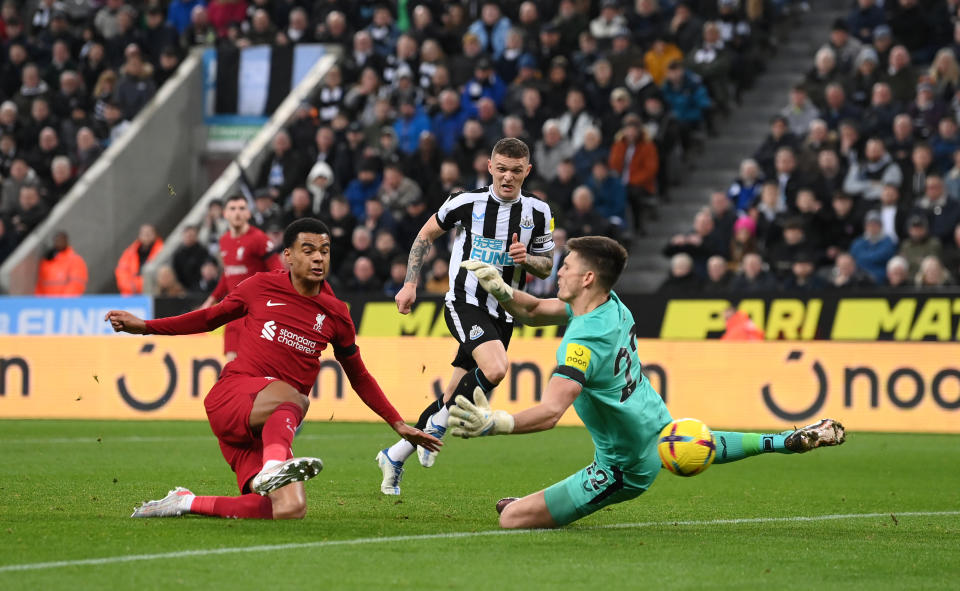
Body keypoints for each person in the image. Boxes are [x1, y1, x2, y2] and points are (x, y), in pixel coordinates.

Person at [448, 237, 845, 529]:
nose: (558, 270)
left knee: (511, 519)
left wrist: (494, 423)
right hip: (659, 424)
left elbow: (552, 412)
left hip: (623, 466)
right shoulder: (609, 303)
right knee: (696, 443)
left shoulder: (582, 343)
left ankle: (535, 506)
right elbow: (533, 310)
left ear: (586, 278)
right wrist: (501, 290)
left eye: (566, 265)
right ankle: (782, 442)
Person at [107, 218, 440, 520]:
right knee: (295, 399)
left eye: (324, 251)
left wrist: (397, 423)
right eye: (308, 250)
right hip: (234, 398)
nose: (318, 258)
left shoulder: (337, 314)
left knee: (288, 508)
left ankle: (184, 502)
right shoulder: (259, 286)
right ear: (288, 256)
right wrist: (146, 326)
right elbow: (208, 319)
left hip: (271, 426)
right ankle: (272, 467)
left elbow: (359, 376)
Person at [376, 137, 555, 495]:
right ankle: (439, 425)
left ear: (527, 172)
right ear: (489, 167)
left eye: (516, 171)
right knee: (495, 369)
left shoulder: (539, 212)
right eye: (501, 169)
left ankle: (395, 455)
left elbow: (547, 264)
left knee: (456, 391)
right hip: (464, 301)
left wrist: (527, 260)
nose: (507, 177)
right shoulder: (465, 202)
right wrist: (410, 284)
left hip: (505, 312)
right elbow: (424, 236)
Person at [200, 195, 283, 360]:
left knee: (254, 369)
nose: (237, 213)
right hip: (233, 314)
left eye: (241, 208)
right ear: (225, 214)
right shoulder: (224, 241)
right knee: (231, 368)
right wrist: (210, 300)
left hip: (256, 315)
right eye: (232, 209)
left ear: (248, 214)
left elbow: (278, 272)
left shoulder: (259, 239)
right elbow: (228, 274)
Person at [35, 231, 87, 295]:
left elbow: (76, 284)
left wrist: (64, 301)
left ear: (66, 241)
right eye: (56, 240)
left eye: (60, 240)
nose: (58, 243)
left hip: (64, 302)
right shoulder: (47, 261)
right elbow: (41, 284)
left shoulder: (75, 260)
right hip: (47, 302)